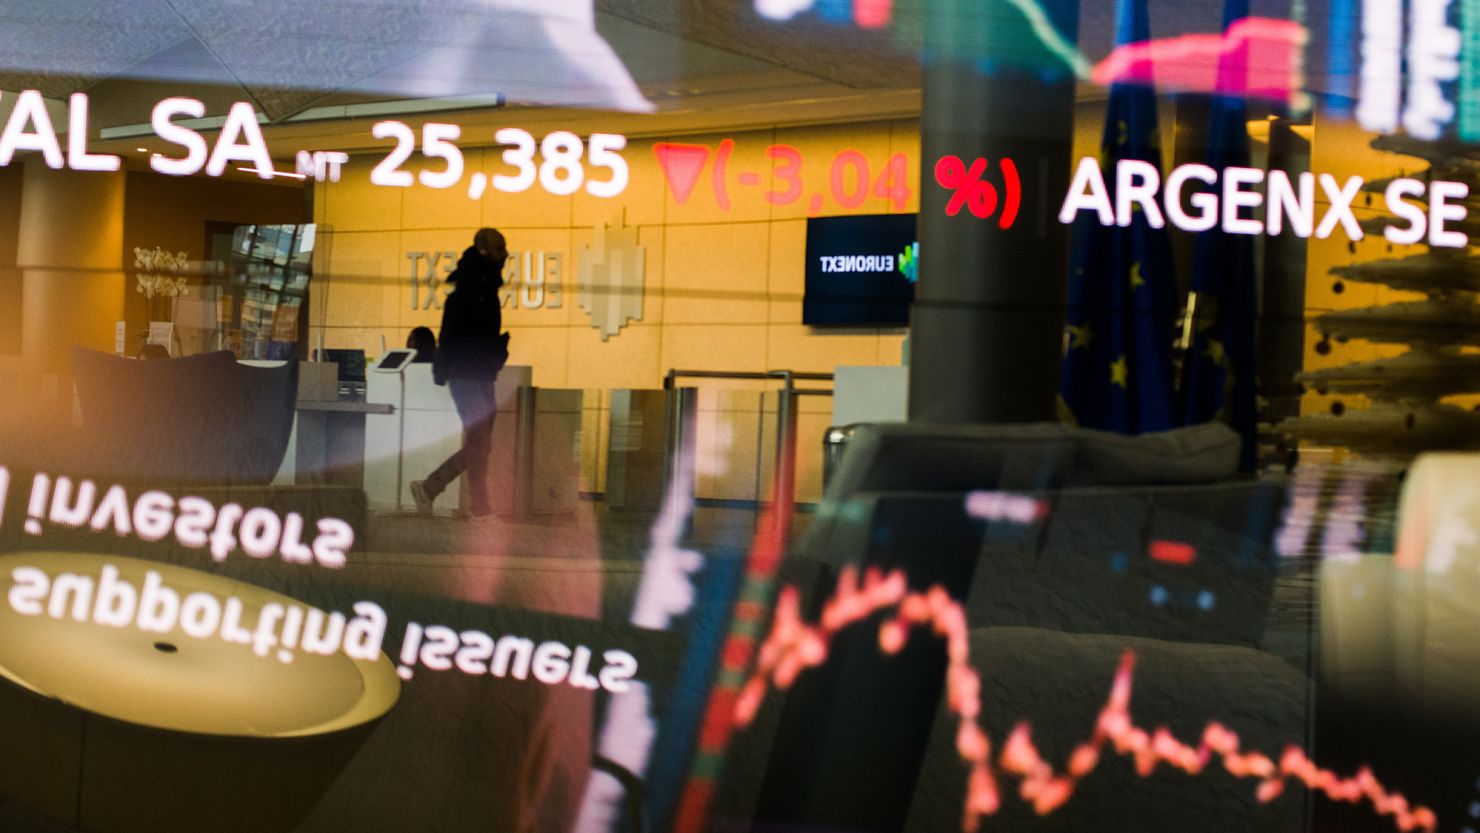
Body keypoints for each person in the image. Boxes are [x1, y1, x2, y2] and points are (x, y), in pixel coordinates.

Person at [410, 228, 510, 519]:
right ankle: (473, 503)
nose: (504, 254)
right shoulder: (474, 290)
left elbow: (456, 332)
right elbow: (453, 333)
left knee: (482, 444)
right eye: (499, 248)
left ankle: (434, 489)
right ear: (483, 250)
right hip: (468, 373)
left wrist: (495, 351)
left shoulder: (483, 289)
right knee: (480, 442)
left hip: (477, 373)